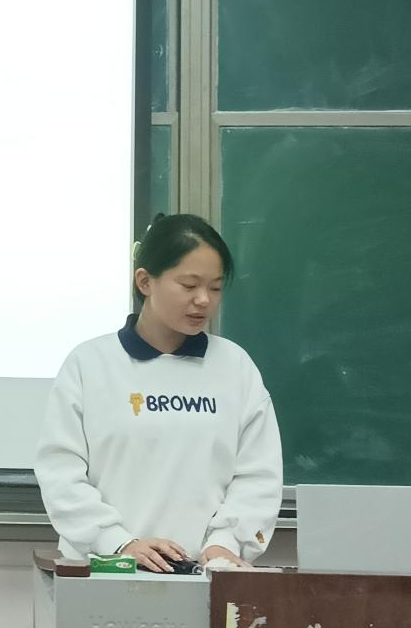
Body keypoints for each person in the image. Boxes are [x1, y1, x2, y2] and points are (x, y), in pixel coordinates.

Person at [34, 213, 282, 572]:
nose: (203, 300)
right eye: (189, 285)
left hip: (206, 574)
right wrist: (119, 542)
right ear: (145, 281)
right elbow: (61, 473)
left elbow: (259, 475)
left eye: (215, 288)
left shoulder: (234, 367)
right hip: (104, 571)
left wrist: (225, 544)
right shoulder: (90, 364)